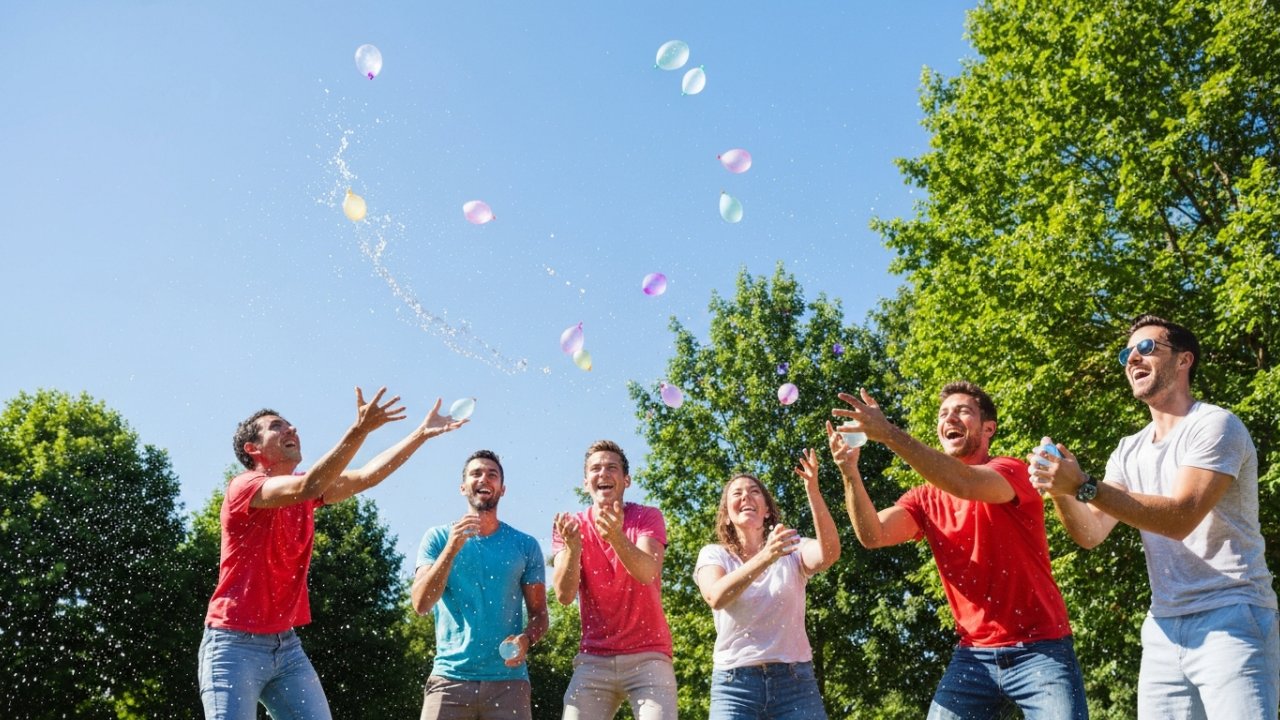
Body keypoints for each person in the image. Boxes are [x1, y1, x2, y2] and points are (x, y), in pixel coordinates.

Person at [1030, 314, 1279, 719]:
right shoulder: (1128, 450)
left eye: (1146, 348)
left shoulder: (1215, 425)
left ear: (1184, 361)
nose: (1132, 359)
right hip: (1163, 629)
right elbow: (1090, 532)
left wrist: (1082, 485)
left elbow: (1181, 517)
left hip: (1232, 615)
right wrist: (1059, 491)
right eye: (1126, 354)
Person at [200, 387, 466, 720]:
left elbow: (367, 476)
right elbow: (307, 485)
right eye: (277, 426)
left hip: (286, 648)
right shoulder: (245, 486)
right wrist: (360, 430)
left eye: (290, 425)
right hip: (233, 644)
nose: (291, 429)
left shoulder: (305, 495)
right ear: (252, 449)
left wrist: (421, 434)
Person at [833, 382, 1087, 719]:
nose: (949, 416)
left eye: (962, 410)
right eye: (943, 413)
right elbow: (872, 534)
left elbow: (965, 483)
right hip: (974, 656)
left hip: (1041, 649)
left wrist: (890, 433)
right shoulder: (922, 499)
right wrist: (850, 473)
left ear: (988, 429)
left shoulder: (1011, 471)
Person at [693, 449, 841, 719]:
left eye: (754, 492)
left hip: (795, 683)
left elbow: (829, 554)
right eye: (736, 494)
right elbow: (716, 597)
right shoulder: (714, 554)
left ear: (768, 511)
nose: (745, 496)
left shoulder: (791, 549)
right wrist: (766, 556)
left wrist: (813, 492)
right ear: (726, 514)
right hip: (734, 685)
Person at [411, 449, 548, 720]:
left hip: (508, 683)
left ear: (502, 488)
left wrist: (527, 638)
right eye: (476, 473)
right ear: (463, 487)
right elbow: (421, 604)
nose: (484, 478)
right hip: (449, 680)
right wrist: (451, 548)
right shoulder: (438, 538)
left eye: (492, 474)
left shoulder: (525, 545)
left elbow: (540, 614)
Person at [551, 440, 677, 719]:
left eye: (612, 467)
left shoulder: (647, 517)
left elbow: (646, 572)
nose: (603, 473)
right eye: (595, 469)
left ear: (626, 480)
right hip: (594, 659)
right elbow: (563, 595)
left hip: (649, 656)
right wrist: (573, 549)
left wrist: (616, 537)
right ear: (586, 482)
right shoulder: (571, 526)